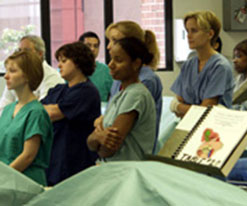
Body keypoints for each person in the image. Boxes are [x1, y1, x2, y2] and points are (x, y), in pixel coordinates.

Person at [87, 37, 156, 161]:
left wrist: (96, 138)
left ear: (136, 64)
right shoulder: (120, 94)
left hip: (127, 171)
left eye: (118, 60)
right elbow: (91, 143)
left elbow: (107, 150)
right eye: (111, 59)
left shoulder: (136, 95)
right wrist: (97, 137)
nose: (110, 65)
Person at [41, 42, 101, 186]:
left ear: (78, 63)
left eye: (64, 61)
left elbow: (51, 113)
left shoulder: (87, 91)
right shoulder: (59, 89)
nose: (59, 65)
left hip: (74, 161)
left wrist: (51, 108)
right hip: (54, 158)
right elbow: (37, 110)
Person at [105, 21, 163, 152]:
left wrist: (100, 138)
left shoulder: (146, 81)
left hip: (133, 155)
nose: (109, 47)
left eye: (114, 40)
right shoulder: (118, 80)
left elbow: (115, 135)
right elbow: (106, 119)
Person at [0, 50, 53, 186]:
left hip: (27, 183)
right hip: (7, 182)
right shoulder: (8, 110)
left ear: (27, 75)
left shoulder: (36, 112)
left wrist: (4, 177)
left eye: (12, 71)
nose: (6, 76)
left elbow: (28, 156)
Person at [170, 11, 234, 118]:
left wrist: (178, 107)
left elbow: (205, 113)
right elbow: (178, 111)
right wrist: (183, 109)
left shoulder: (220, 67)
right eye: (187, 31)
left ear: (210, 34)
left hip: (213, 129)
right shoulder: (188, 65)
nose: (189, 36)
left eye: (194, 31)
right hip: (188, 124)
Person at [0, 35, 64, 115]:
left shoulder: (52, 77)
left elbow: (40, 111)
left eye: (26, 50)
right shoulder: (15, 76)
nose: (21, 54)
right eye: (19, 50)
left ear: (40, 53)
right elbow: (4, 104)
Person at [79, 31, 113, 102]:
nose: (92, 49)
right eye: (88, 45)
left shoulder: (106, 71)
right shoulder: (72, 69)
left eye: (96, 46)